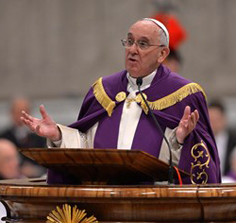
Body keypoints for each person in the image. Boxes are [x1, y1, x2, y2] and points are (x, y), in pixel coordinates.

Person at [21, 18, 221, 184]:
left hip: (155, 210)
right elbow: (86, 149)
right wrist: (58, 135)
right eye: (129, 41)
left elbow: (196, 167)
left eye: (142, 44)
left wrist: (179, 139)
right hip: (104, 207)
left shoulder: (184, 95)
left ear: (162, 54)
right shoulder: (104, 90)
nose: (132, 49)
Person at [0, 97, 46, 178]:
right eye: (18, 112)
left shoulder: (40, 137)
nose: (21, 116)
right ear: (11, 113)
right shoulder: (3, 137)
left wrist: (35, 170)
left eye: (25, 112)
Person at [208, 100, 236, 176]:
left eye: (216, 119)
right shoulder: (200, 141)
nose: (213, 123)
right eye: (211, 120)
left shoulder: (233, 141)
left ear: (224, 119)